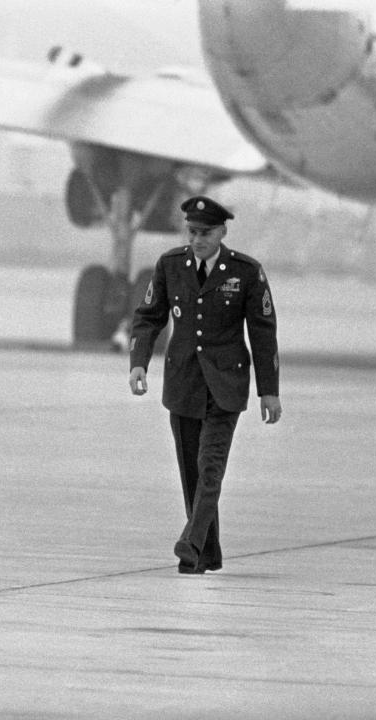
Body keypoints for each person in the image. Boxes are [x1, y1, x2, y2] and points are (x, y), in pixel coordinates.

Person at [128, 195, 281, 574]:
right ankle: (207, 554)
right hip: (183, 382)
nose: (198, 240)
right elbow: (149, 317)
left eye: (206, 233)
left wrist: (269, 390)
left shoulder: (245, 272)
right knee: (191, 471)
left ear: (222, 232)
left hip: (226, 384)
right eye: (193, 232)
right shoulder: (171, 265)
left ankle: (190, 542)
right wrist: (138, 364)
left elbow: (263, 333)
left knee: (210, 467)